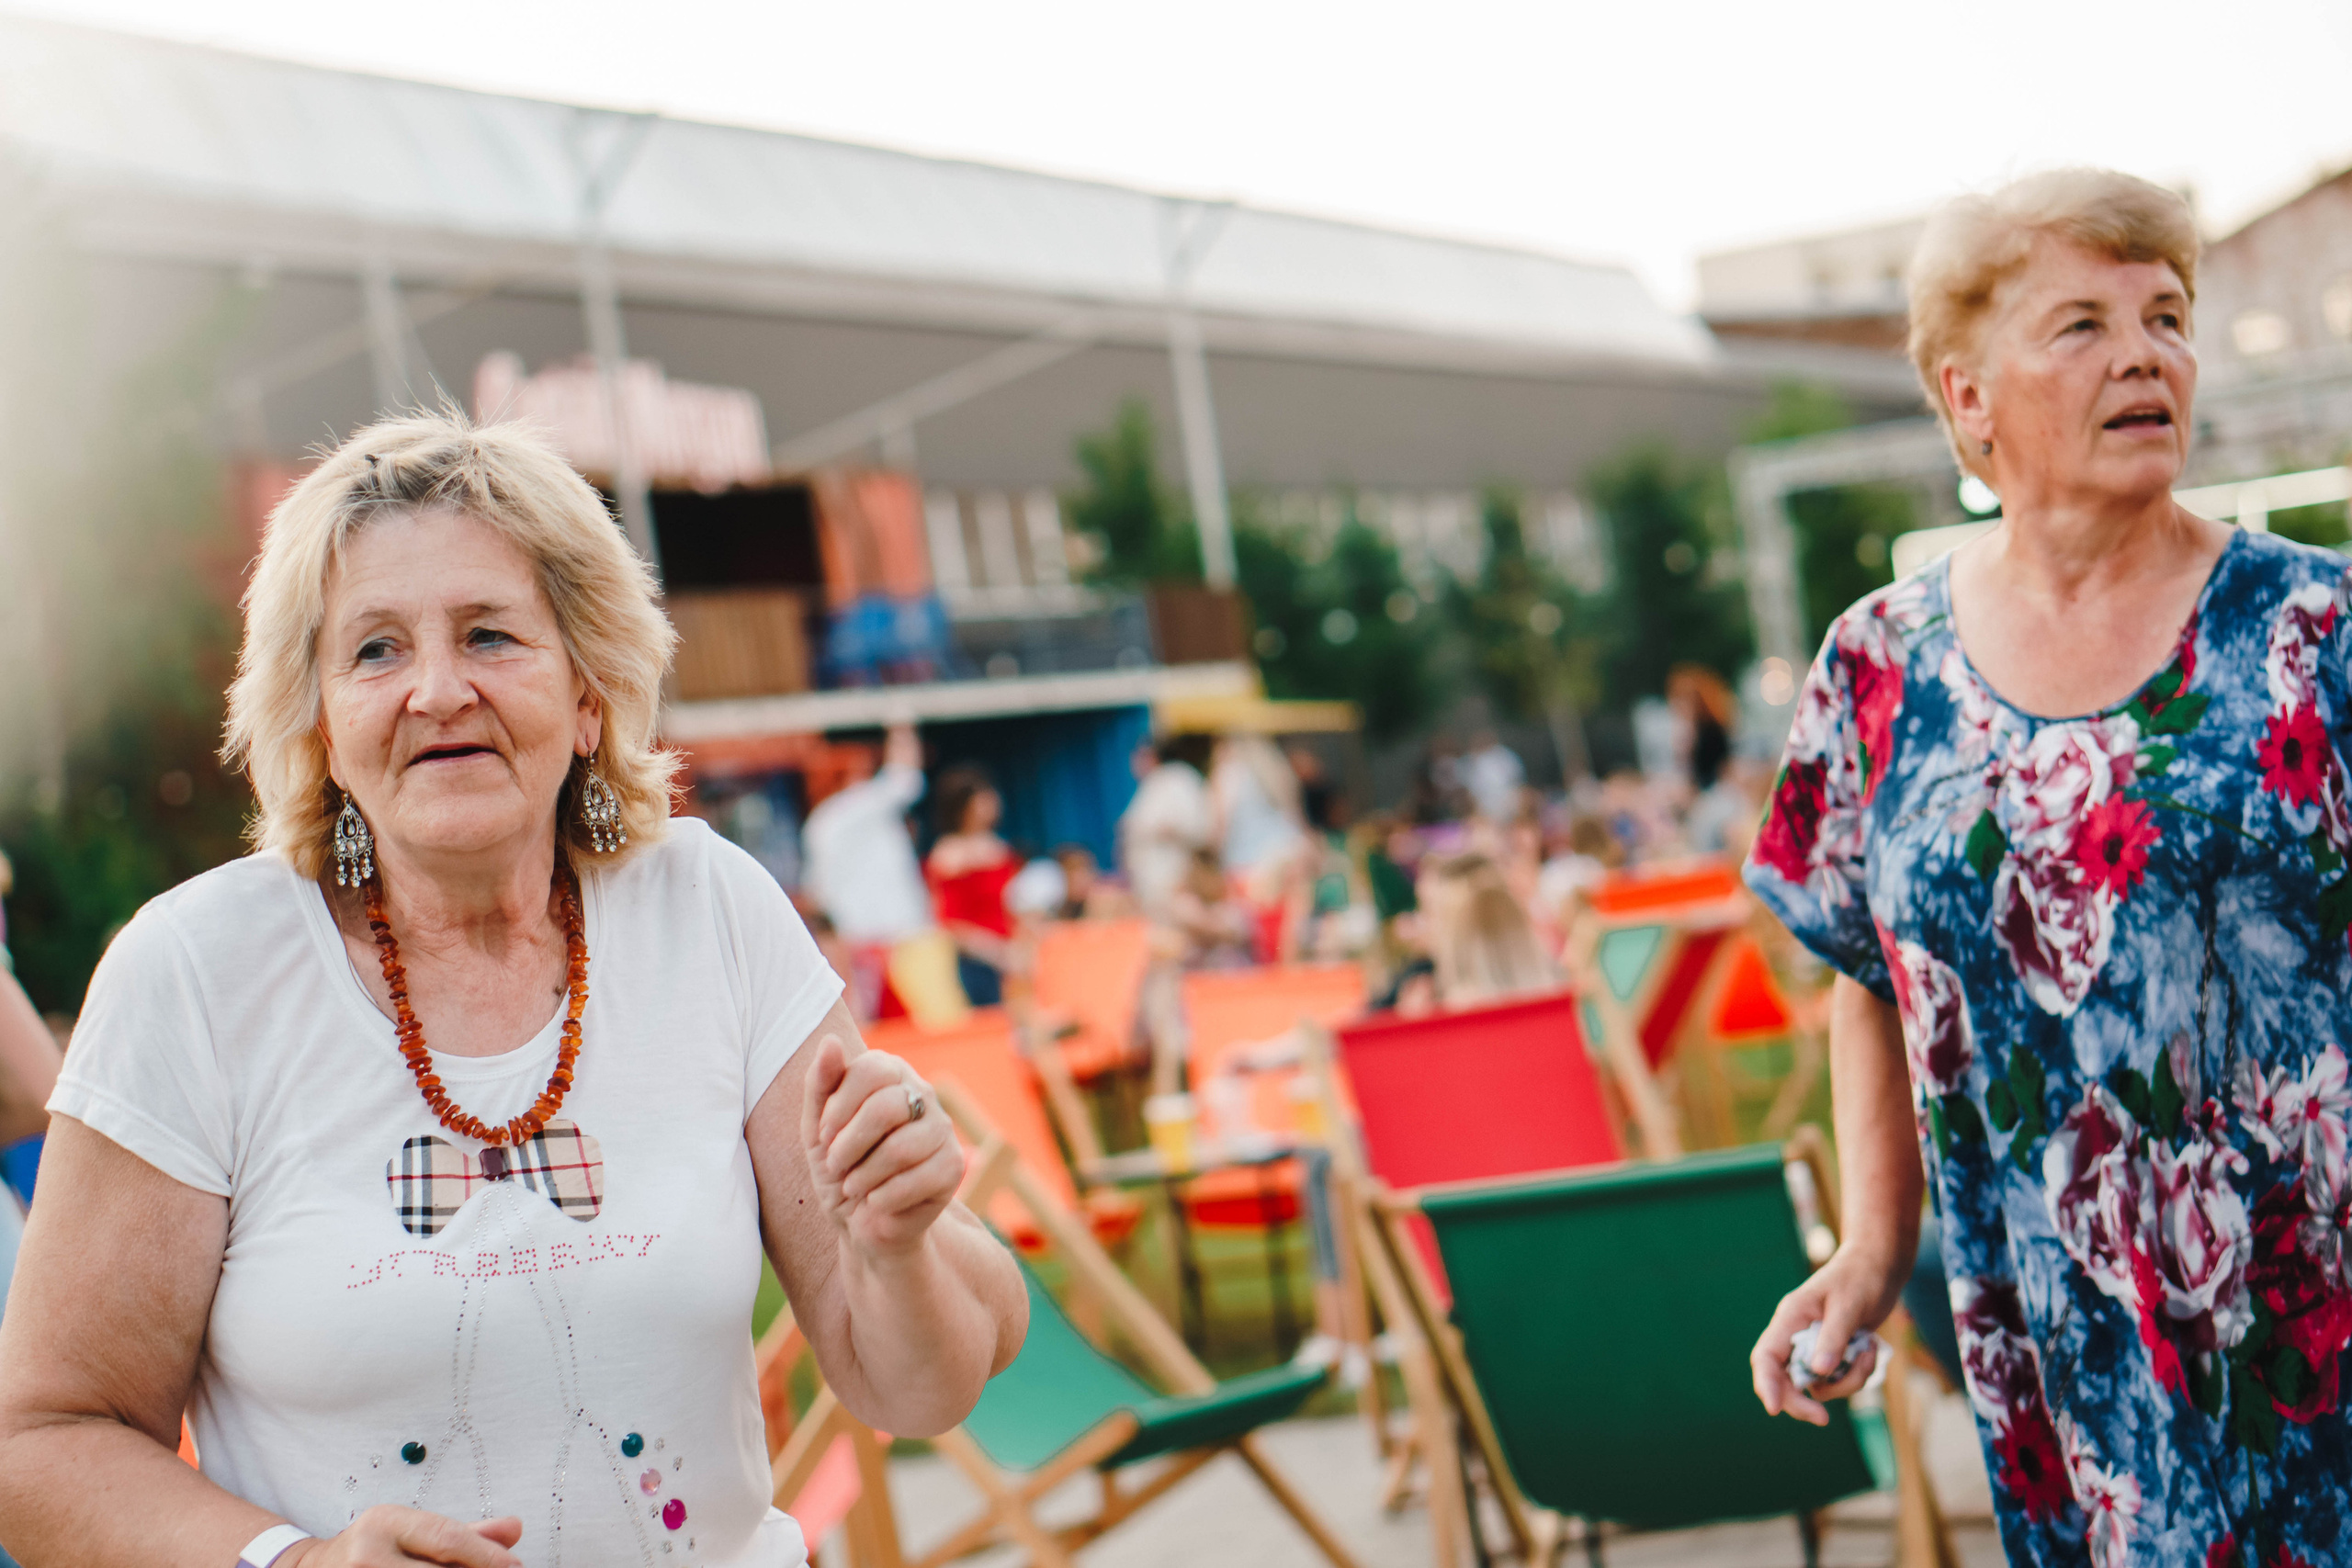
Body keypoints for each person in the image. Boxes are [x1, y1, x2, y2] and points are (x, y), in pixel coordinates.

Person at [0, 414, 1026, 1568]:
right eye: (375, 651)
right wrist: (300, 1564)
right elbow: (38, 1449)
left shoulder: (710, 912)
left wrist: (897, 1247)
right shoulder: (193, 976)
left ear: (590, 694)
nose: (437, 690)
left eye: (490, 635)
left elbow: (920, 1389)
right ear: (324, 725)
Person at [1744, 170, 2352, 1567]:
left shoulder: (2319, 632)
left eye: (2168, 316)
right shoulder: (1877, 664)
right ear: (1967, 399)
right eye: (2081, 324)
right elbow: (1868, 973)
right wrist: (1868, 1248)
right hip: (2057, 1359)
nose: (2145, 354)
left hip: (2316, 1336)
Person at [923, 764, 1021, 1007]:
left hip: (1013, 955)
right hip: (979, 961)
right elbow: (950, 922)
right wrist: (997, 952)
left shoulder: (998, 847)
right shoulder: (950, 855)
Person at [1118, 733, 1215, 920]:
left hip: (1178, 880)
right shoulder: (1150, 786)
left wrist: (1169, 831)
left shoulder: (1179, 779)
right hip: (1149, 886)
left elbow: (1202, 830)